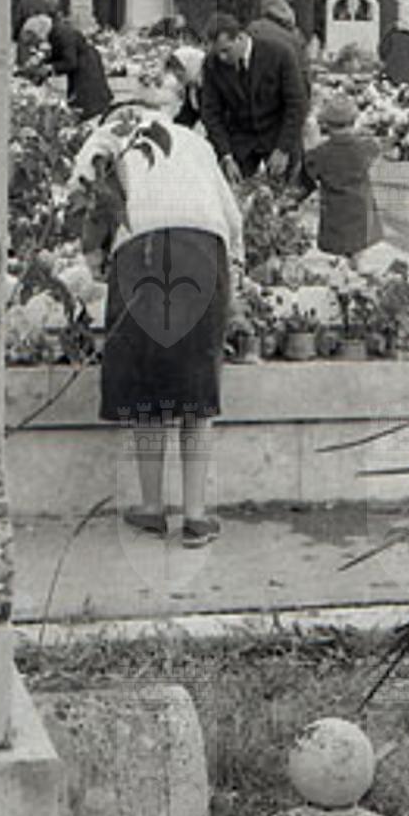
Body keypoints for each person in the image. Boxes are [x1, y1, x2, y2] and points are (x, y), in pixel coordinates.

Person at [73, 91, 244, 546]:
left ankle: (151, 508)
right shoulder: (193, 141)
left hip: (140, 251)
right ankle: (196, 516)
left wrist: (93, 258)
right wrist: (236, 268)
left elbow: (89, 192)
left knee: (146, 387)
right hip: (204, 250)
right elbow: (231, 216)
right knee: (197, 390)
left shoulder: (111, 135)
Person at [200, 11, 307, 183]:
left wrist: (283, 148)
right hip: (240, 141)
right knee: (233, 192)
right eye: (217, 52)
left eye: (226, 50)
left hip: (278, 134)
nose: (222, 58)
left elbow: (296, 104)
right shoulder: (211, 64)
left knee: (288, 192)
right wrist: (226, 156)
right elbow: (210, 113)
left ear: (240, 37)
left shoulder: (280, 54)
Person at [302, 91, 381, 256]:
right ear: (353, 121)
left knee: (335, 258)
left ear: (326, 124)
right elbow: (377, 149)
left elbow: (307, 174)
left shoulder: (319, 154)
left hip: (334, 216)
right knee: (359, 254)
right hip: (362, 216)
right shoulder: (366, 147)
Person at [249, 0, 311, 97]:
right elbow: (302, 75)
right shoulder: (293, 37)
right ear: (283, 9)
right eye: (289, 6)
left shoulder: (251, 29)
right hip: (283, 97)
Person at [50, 13, 112, 119]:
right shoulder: (62, 33)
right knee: (91, 102)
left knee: (86, 104)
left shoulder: (63, 35)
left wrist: (51, 68)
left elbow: (70, 62)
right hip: (87, 69)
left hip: (85, 74)